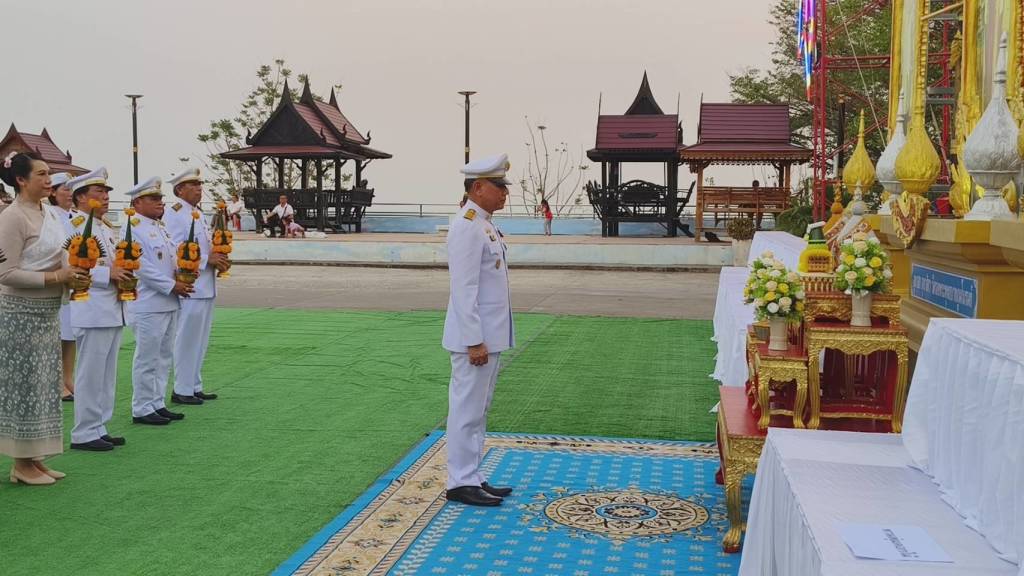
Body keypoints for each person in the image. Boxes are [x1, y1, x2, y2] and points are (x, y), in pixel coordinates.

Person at [0, 152, 84, 484]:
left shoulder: (47, 212)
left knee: (44, 386)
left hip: (47, 313)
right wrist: (56, 277)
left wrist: (74, 273)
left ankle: (34, 458)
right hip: (19, 314)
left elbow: (60, 253)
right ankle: (20, 463)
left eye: (50, 173)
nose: (50, 180)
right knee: (23, 387)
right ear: (21, 180)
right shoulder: (12, 217)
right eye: (42, 174)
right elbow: (6, 273)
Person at [442, 153, 516, 507]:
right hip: (475, 338)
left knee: (479, 409)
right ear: (478, 187)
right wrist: (474, 340)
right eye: (499, 186)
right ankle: (459, 481)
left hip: (488, 335)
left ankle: (472, 474)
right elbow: (464, 288)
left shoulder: (483, 224)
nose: (505, 193)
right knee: (466, 410)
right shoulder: (467, 226)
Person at [68, 167, 130, 451]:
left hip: (112, 307)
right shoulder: (75, 226)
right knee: (91, 374)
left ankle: (99, 426)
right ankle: (83, 432)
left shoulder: (103, 227)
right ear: (80, 197)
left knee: (106, 375)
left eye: (106, 192)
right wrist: (108, 274)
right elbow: (71, 266)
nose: (105, 196)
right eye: (99, 192)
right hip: (92, 308)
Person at [125, 177, 192, 425]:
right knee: (147, 358)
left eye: (160, 198)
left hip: (169, 301)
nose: (160, 202)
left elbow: (170, 260)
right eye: (153, 199)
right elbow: (141, 267)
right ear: (137, 202)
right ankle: (142, 407)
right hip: (148, 302)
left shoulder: (159, 226)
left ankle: (157, 402)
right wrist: (172, 285)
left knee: (163, 356)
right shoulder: (133, 227)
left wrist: (184, 273)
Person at [164, 167, 229, 405]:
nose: (199, 189)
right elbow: (175, 248)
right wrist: (206, 260)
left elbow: (205, 244)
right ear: (180, 189)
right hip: (190, 284)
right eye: (193, 185)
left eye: (200, 185)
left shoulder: (197, 213)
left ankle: (193, 384)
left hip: (205, 284)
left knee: (200, 339)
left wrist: (220, 257)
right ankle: (182, 388)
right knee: (187, 338)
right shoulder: (174, 213)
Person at [48, 172, 77, 401]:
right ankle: (57, 382)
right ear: (53, 193)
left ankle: (68, 378)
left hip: (76, 280)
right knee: (58, 335)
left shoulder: (76, 217)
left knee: (71, 335)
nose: (70, 193)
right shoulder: (49, 215)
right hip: (60, 278)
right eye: (65, 189)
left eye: (71, 189)